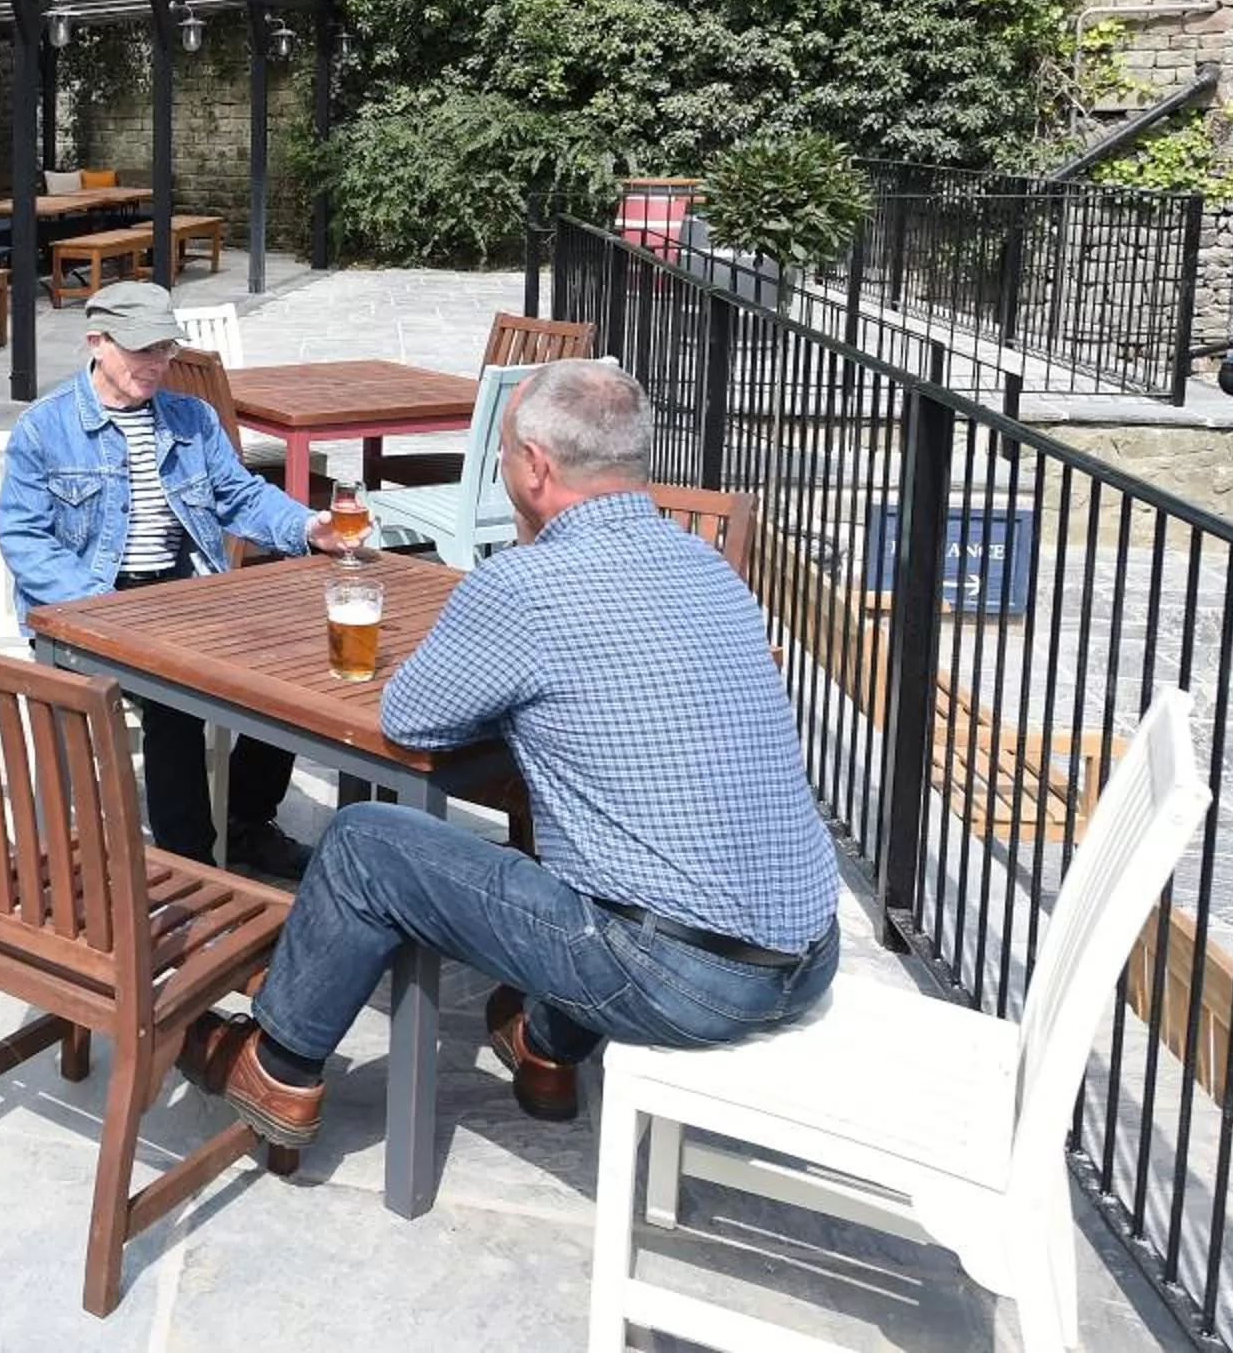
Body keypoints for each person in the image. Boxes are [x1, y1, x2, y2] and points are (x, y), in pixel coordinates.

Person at [182, 359, 840, 1141]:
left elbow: (414, 719)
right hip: (807, 954)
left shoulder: (526, 584)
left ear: (535, 467)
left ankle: (279, 1067)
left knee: (365, 844)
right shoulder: (706, 563)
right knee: (604, 848)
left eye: (501, 455)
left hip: (678, 982)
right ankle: (546, 1047)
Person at [0, 281, 340, 879]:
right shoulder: (44, 428)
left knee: (294, 673)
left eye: (163, 349)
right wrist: (97, 607)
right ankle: (193, 870)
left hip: (182, 596)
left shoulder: (191, 419)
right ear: (96, 341)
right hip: (86, 605)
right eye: (139, 349)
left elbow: (239, 495)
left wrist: (309, 526)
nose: (154, 364)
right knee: (174, 698)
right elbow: (23, 539)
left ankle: (246, 822)